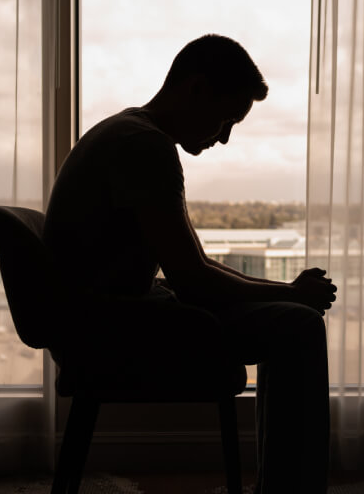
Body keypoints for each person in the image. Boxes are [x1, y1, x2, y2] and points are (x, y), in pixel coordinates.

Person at [43, 34, 337, 493]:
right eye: (225, 119)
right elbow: (195, 280)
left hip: (101, 318)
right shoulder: (146, 147)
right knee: (298, 327)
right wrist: (290, 294)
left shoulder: (127, 132)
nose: (224, 137)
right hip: (109, 330)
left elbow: (194, 267)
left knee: (291, 315)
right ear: (196, 90)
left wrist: (287, 292)